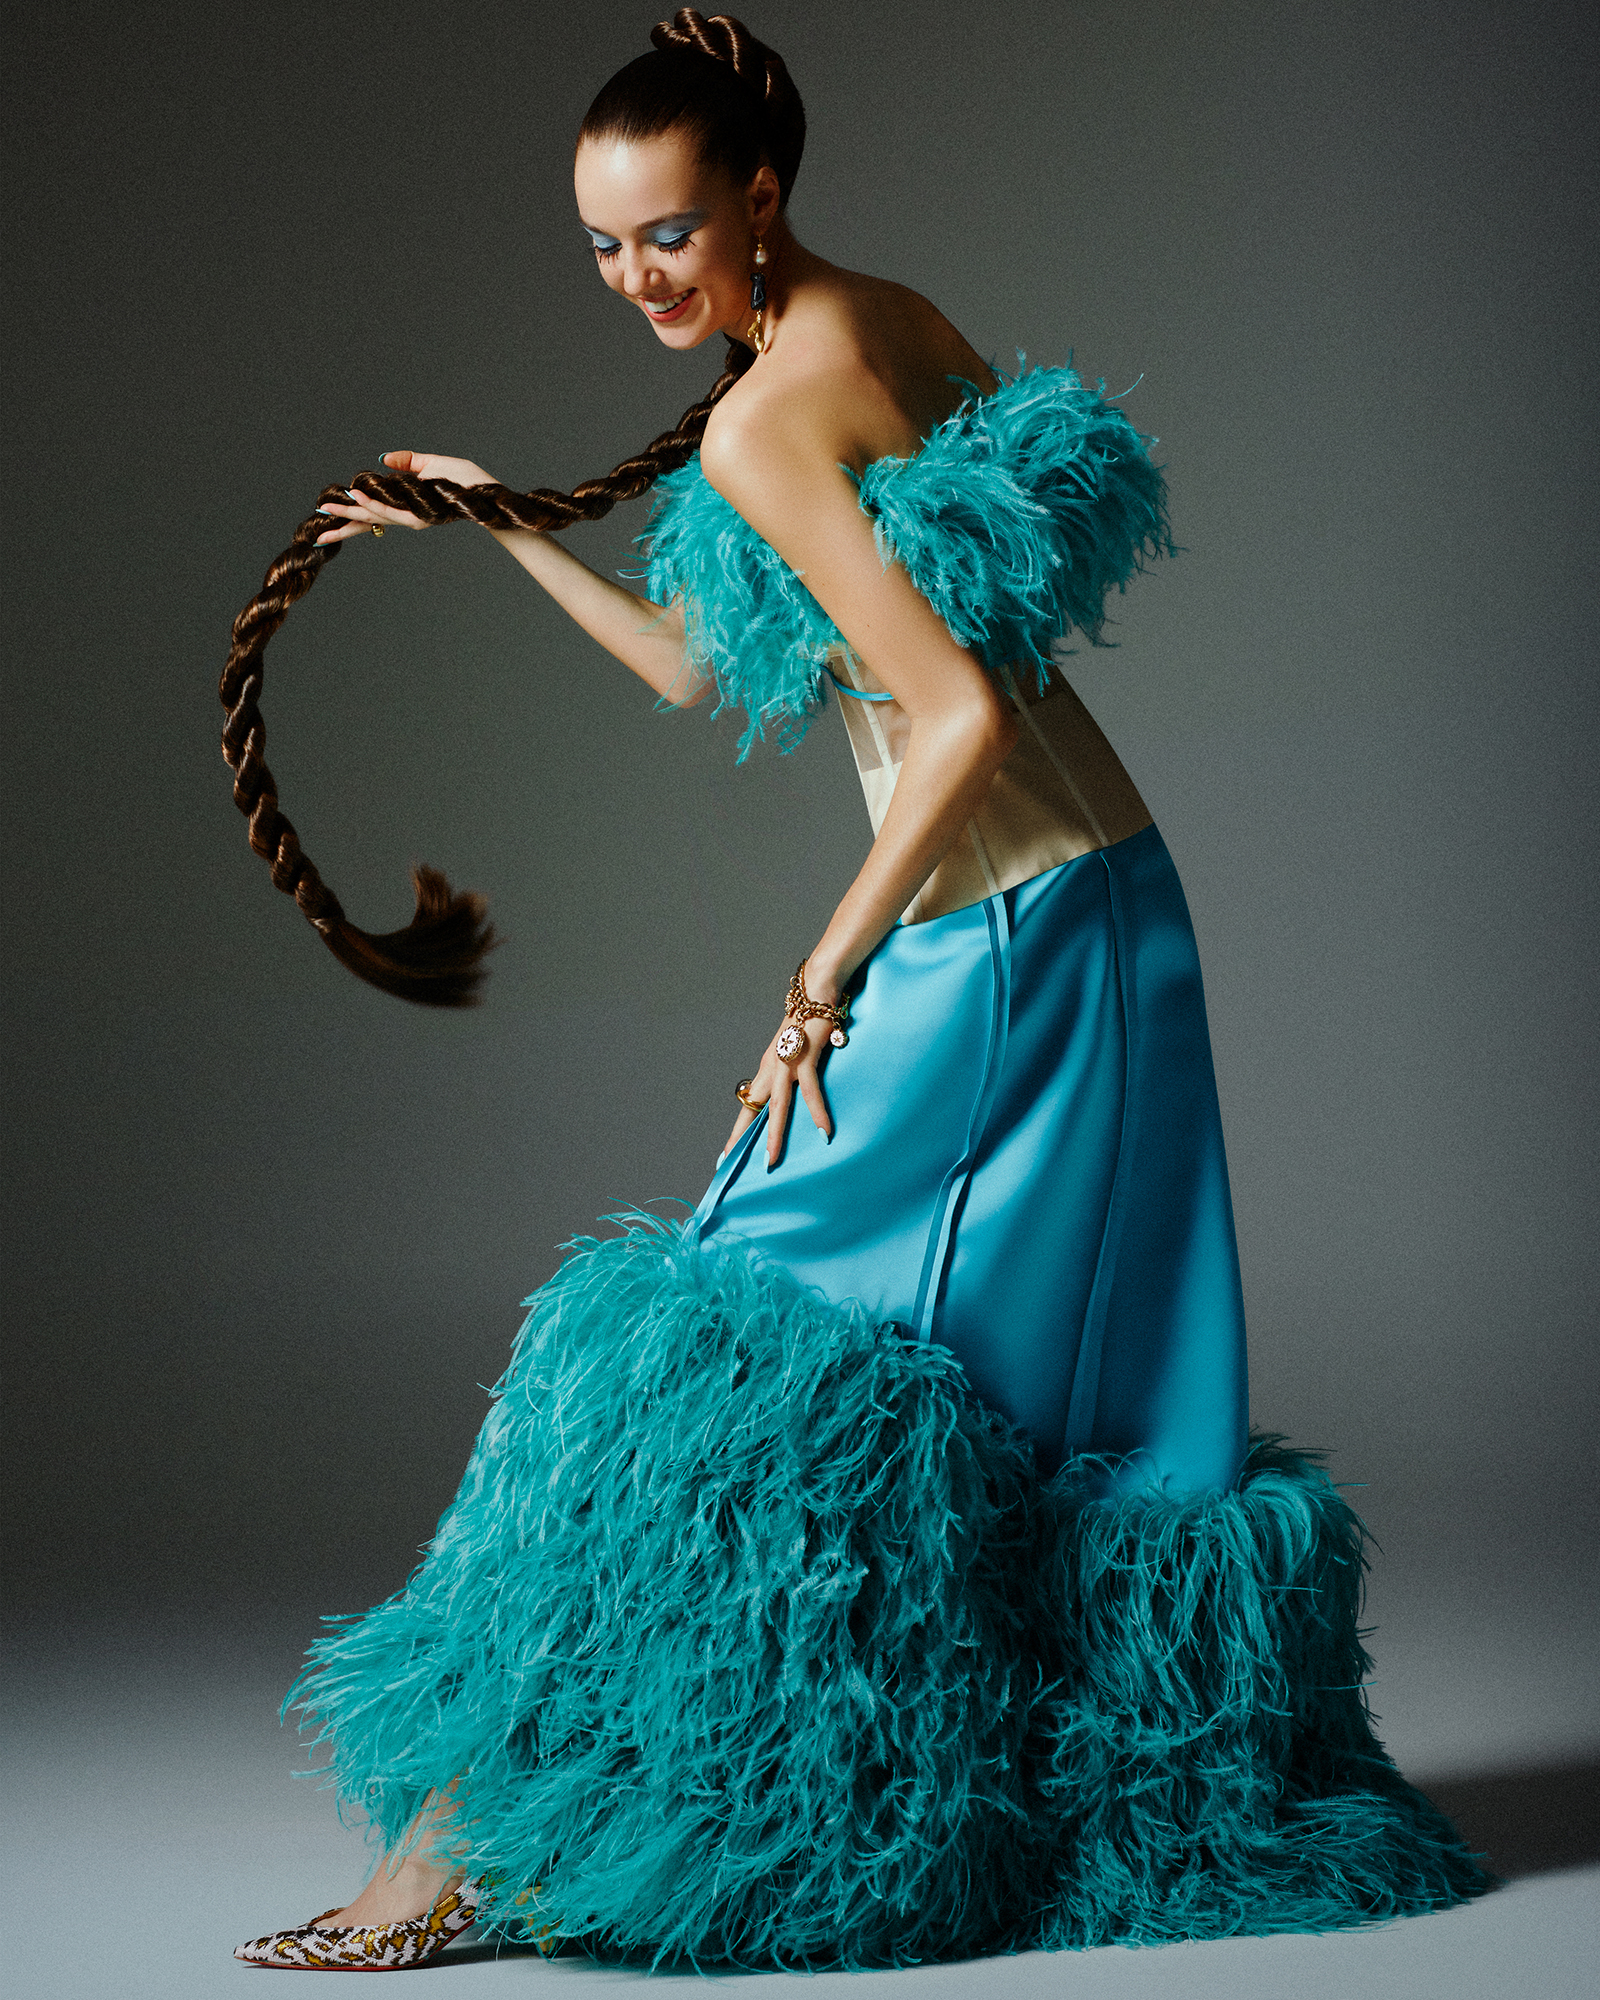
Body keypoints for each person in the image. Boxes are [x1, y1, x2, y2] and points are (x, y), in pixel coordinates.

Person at [231, 9, 1489, 1974]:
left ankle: (462, 1845)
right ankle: (715, 1813)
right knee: (1037, 1369)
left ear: (758, 193)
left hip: (1003, 936)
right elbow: (700, 664)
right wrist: (493, 521)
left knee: (710, 1347)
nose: (636, 278)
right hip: (1102, 905)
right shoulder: (874, 323)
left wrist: (822, 971)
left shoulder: (762, 418)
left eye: (667, 232)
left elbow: (959, 711)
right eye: (602, 246)